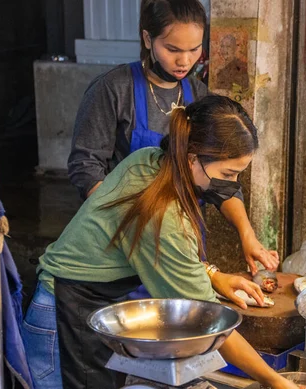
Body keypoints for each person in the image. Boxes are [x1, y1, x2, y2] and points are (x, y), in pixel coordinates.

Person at [25, 96, 298, 389]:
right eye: (227, 174)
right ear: (193, 158)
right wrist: (276, 382)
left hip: (82, 305)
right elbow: (210, 322)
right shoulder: (162, 213)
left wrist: (213, 276)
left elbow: (155, 254)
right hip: (60, 315)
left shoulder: (150, 160)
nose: (230, 185)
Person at [67, 0, 277, 274]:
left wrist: (247, 235)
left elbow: (222, 179)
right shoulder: (115, 89)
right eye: (173, 49)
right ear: (148, 38)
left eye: (194, 49)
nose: (185, 61)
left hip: (181, 245)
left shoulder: (199, 95)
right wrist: (135, 227)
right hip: (122, 244)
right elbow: (86, 169)